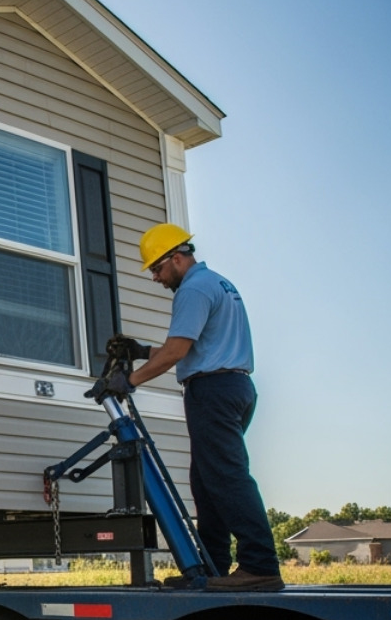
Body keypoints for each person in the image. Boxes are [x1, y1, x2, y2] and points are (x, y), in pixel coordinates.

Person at [119, 223, 283, 592]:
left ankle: (260, 564)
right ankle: (215, 567)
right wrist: (141, 351)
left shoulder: (192, 289)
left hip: (213, 390)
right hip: (234, 386)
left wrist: (128, 382)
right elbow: (188, 346)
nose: (157, 279)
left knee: (225, 476)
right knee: (208, 480)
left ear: (176, 258)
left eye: (158, 270)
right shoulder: (218, 283)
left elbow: (177, 352)